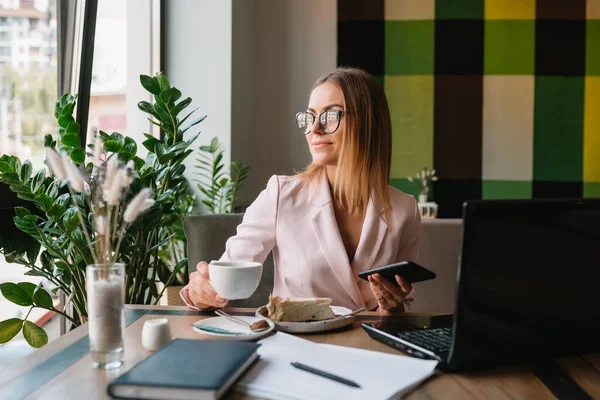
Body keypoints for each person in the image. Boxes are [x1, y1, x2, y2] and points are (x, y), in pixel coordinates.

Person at [181, 67, 421, 313]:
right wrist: (201, 291)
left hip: (367, 345)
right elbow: (222, 277)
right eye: (310, 117)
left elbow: (403, 303)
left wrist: (392, 307)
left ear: (369, 123)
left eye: (330, 116)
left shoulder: (405, 210)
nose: (314, 130)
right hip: (295, 343)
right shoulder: (281, 195)